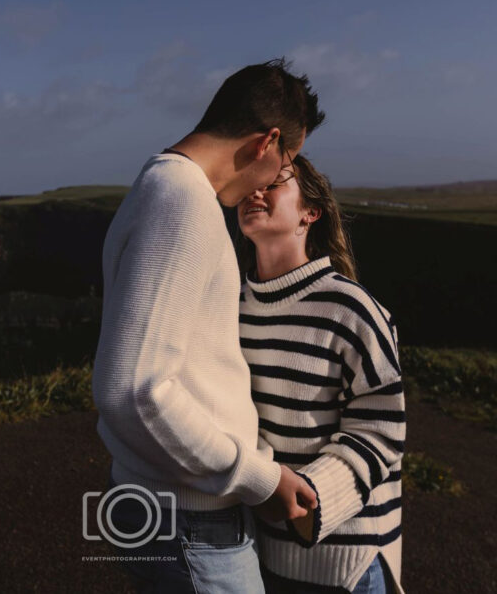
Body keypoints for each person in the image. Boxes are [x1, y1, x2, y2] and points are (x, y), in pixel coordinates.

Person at [92, 58, 326, 593]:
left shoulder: (156, 184)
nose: (275, 178)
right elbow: (132, 390)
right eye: (288, 160)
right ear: (266, 142)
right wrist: (260, 478)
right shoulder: (184, 203)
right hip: (188, 518)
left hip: (163, 502)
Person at [233, 155, 406, 594]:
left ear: (310, 213)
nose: (255, 191)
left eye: (273, 184)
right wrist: (260, 479)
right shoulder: (231, 307)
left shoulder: (351, 309)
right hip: (262, 556)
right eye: (250, 182)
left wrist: (307, 497)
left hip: (348, 567)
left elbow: (382, 431)